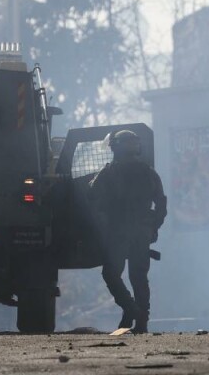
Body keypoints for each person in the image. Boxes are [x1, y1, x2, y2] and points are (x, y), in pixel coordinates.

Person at [91, 130, 167, 334]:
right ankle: (141, 321)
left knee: (111, 273)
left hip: (118, 232)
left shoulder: (109, 172)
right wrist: (153, 227)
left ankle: (131, 309)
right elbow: (161, 203)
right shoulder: (149, 173)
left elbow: (94, 199)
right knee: (139, 277)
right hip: (141, 233)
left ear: (116, 148)